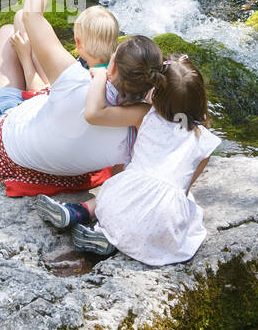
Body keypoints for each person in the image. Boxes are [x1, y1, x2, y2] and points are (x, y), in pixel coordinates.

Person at [35, 37, 221, 264]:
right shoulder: (205, 142)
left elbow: (95, 114)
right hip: (163, 223)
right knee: (174, 205)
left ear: (156, 91)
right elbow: (182, 191)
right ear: (201, 99)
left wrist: (101, 75)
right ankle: (107, 237)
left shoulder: (145, 115)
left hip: (119, 202)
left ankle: (87, 218)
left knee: (123, 192)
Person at [0, 0, 133, 185]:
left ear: (78, 44)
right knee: (18, 23)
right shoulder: (137, 98)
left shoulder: (74, 79)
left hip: (26, 158)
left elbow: (31, 16)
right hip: (79, 165)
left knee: (7, 32)